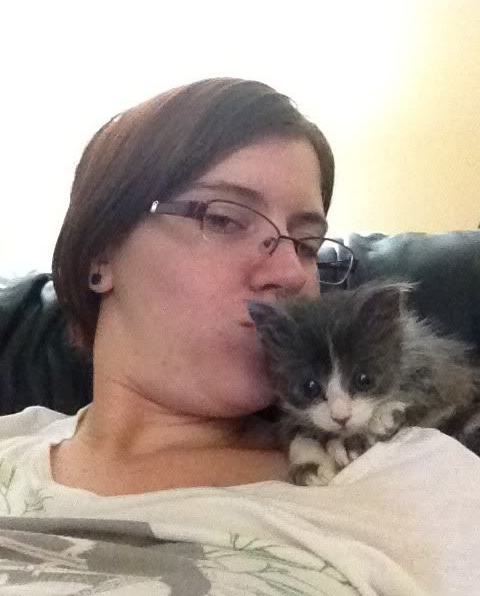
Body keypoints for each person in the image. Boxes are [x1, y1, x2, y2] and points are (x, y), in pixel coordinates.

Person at [0, 78, 478, 595]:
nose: (290, 274)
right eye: (225, 219)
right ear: (100, 253)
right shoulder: (11, 447)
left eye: (308, 245)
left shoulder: (414, 479)